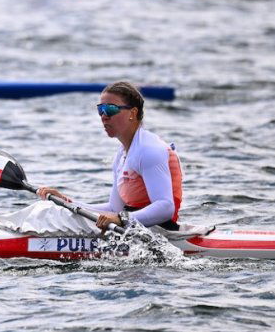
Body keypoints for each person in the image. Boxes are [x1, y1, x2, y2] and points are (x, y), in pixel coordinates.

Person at [36, 81, 183, 231]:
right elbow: (113, 208)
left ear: (132, 113)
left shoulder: (149, 150)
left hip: (161, 230)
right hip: (134, 227)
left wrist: (121, 219)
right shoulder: (122, 154)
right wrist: (67, 202)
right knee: (51, 209)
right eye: (101, 110)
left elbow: (165, 208)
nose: (104, 116)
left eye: (111, 109)